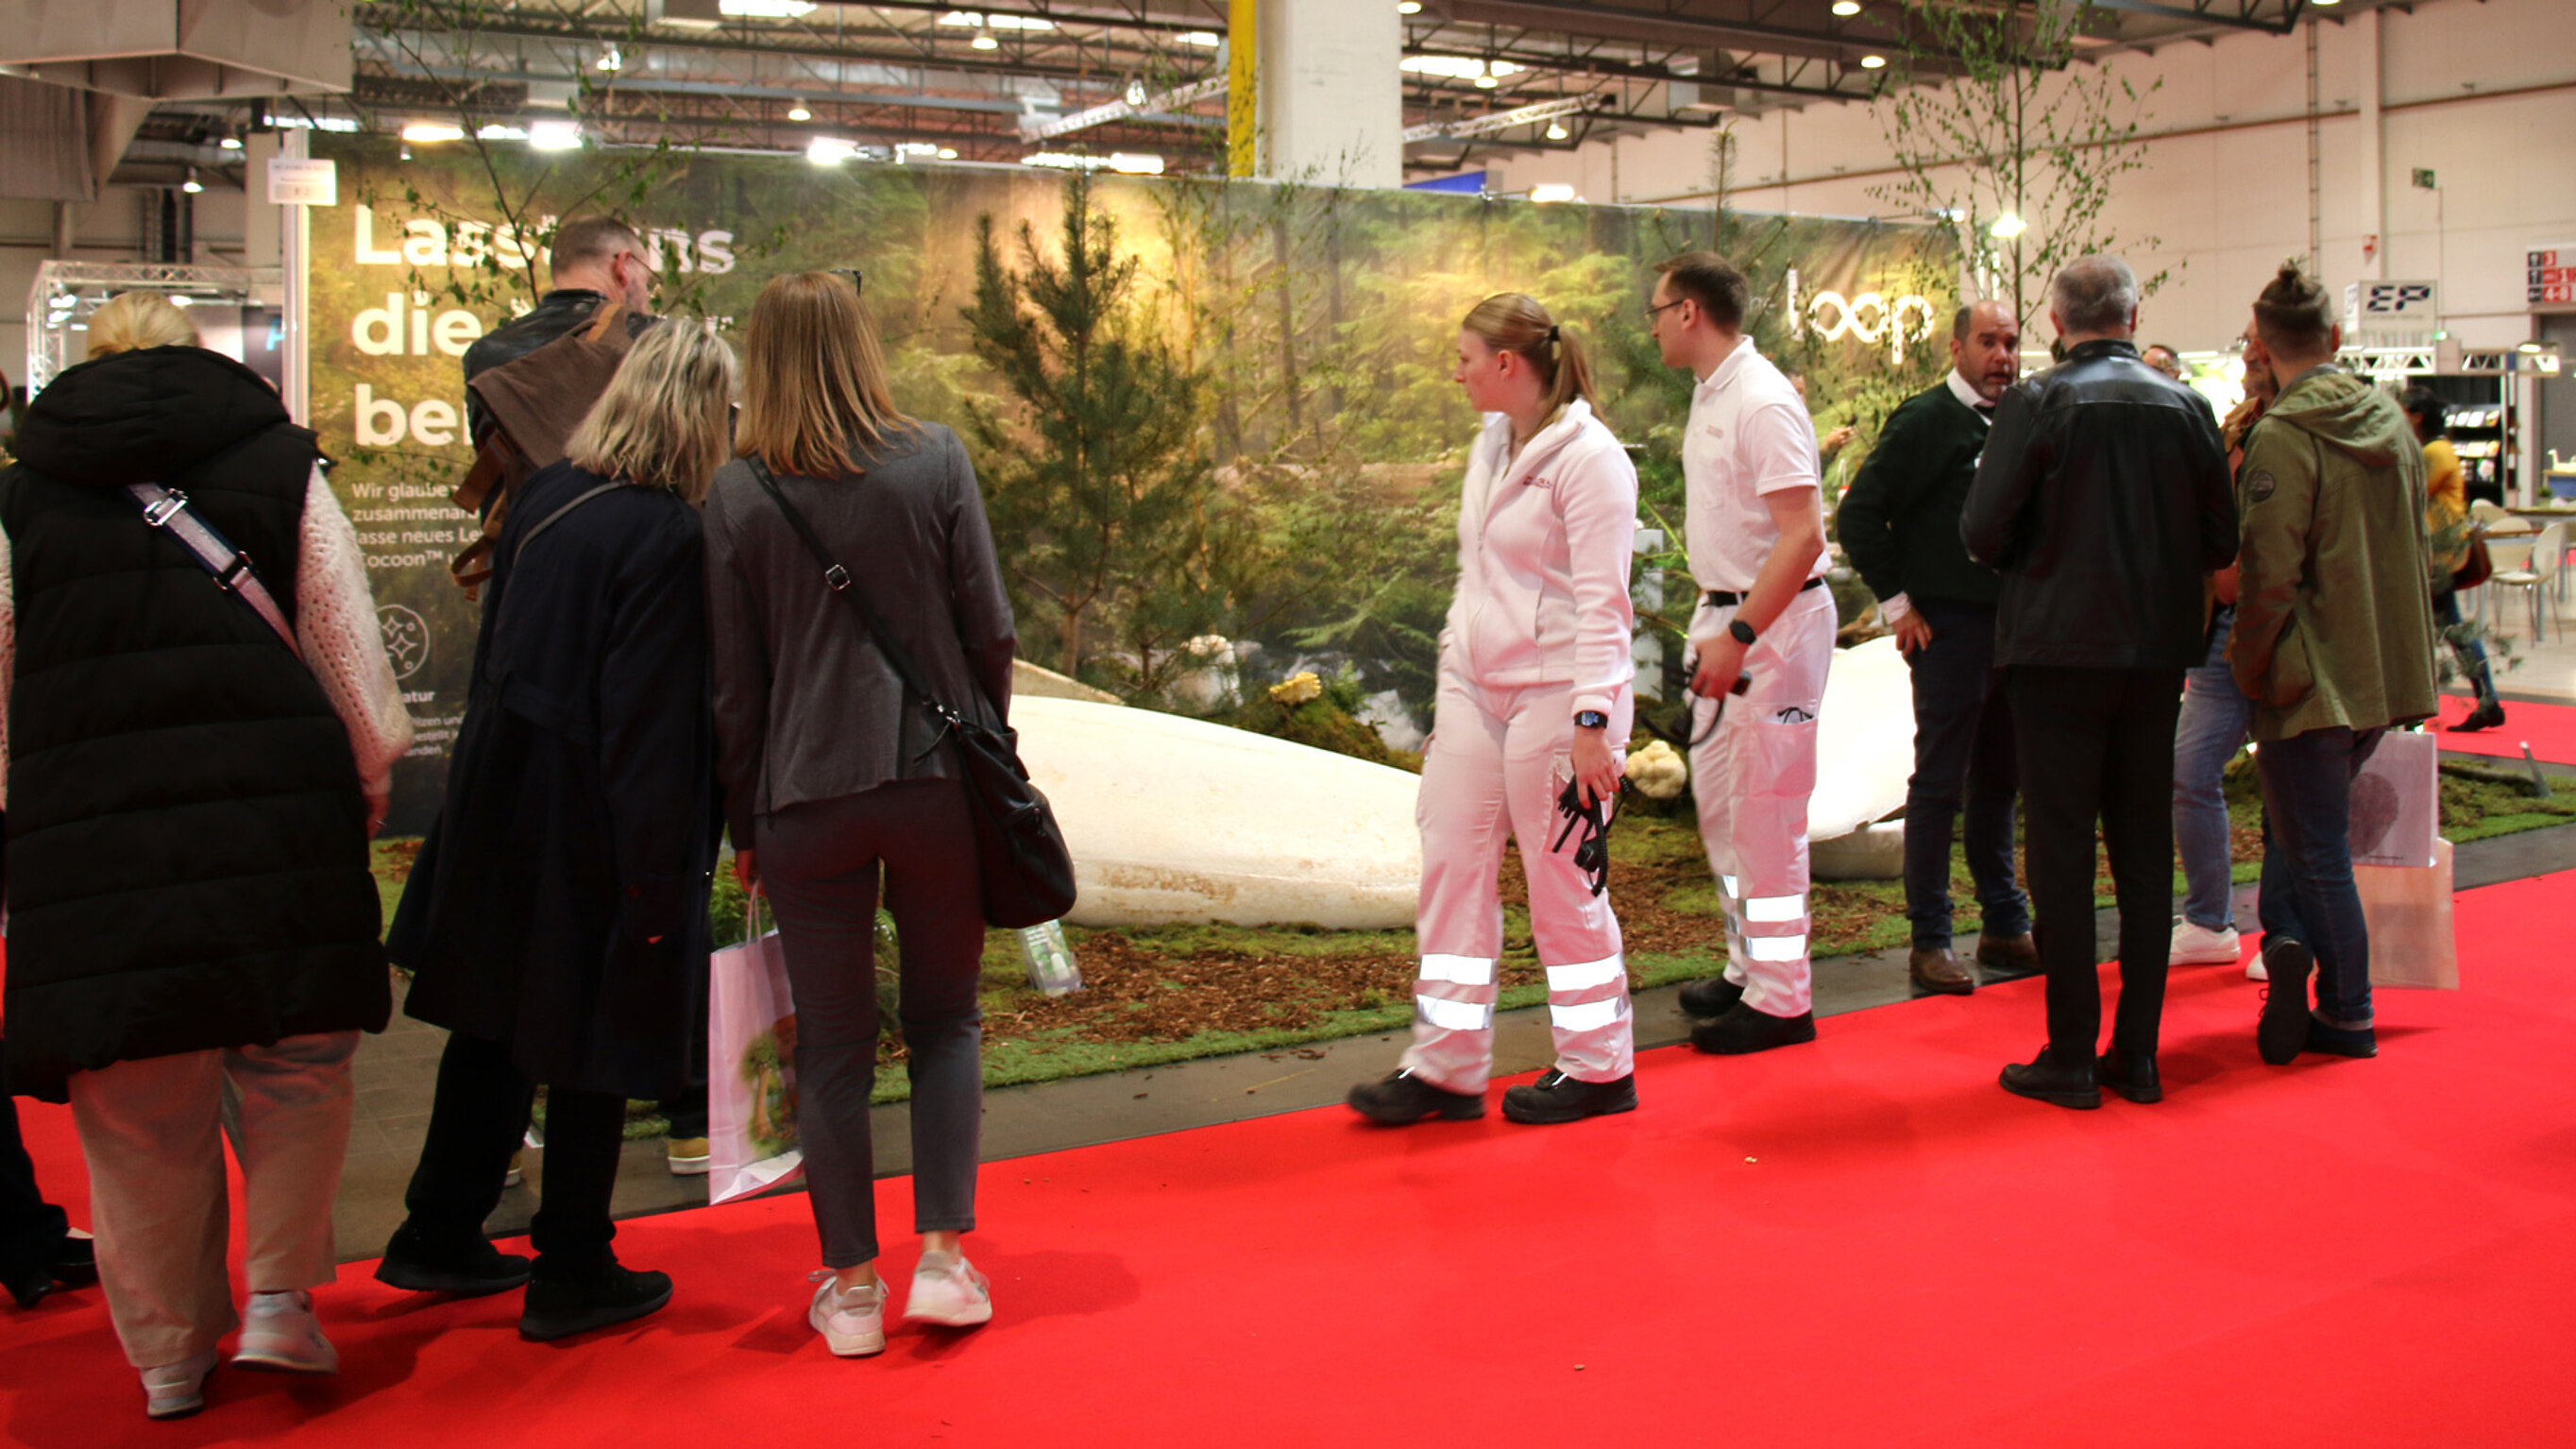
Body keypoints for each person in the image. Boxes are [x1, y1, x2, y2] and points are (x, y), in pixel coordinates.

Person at [0, 291, 411, 1417]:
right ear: (198, 356)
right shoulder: (280, 466)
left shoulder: (21, 495)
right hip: (274, 821)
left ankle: (170, 1358)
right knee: (296, 1065)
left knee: (136, 1110)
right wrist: (371, 764)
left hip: (94, 847)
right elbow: (340, 630)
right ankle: (280, 1297)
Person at [380, 318, 735, 1341]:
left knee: (495, 1021)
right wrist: (657, 876)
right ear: (703, 415)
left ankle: (438, 1225)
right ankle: (574, 1262)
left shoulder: (550, 493)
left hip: (502, 800)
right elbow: (648, 720)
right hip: (590, 815)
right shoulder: (666, 532)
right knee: (595, 1030)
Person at [707, 272, 1016, 1357]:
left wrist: (745, 824)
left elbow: (733, 685)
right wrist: (990, 745)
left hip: (800, 798)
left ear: (761, 359)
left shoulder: (738, 492)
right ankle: (942, 1259)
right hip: (933, 780)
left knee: (831, 1046)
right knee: (945, 1019)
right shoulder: (931, 457)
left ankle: (849, 1288)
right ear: (862, 343)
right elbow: (989, 627)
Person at [1348, 294, 1642, 1128]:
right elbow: (1478, 578)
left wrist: (1593, 723)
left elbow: (1603, 606)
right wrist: (1455, 672)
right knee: (1450, 863)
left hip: (1560, 699)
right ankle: (1444, 1066)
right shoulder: (1491, 443)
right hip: (1477, 690)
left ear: (1508, 365)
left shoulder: (1591, 460)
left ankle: (1598, 1067)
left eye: (1466, 356)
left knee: (1561, 883)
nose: (1457, 370)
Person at [1961, 255, 2235, 1110]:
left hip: (2055, 651)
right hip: (2154, 653)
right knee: (2146, 852)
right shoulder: (2187, 405)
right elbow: (2222, 538)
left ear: (2053, 319)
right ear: (2132, 312)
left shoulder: (2038, 401)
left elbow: (1980, 529)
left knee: (2061, 849)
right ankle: (2140, 1053)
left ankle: (2072, 1052)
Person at [2231, 264, 2439, 1065]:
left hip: (2310, 676)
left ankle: (2349, 1010)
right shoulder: (2390, 422)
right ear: (2338, 337)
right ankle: (2290, 946)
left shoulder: (2284, 436)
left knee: (2314, 851)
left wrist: (2251, 665)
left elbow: (2267, 576)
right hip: (2380, 675)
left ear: (2262, 344)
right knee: (2308, 840)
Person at [1650, 252, 1835, 1055]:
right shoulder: (1717, 392)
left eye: (1656, 310)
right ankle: (1748, 965)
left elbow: (1803, 536)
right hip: (1727, 616)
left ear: (1689, 311)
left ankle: (1783, 996)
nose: (1651, 324)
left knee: (1767, 815)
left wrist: (1741, 634)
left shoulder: (1759, 400)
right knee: (1724, 813)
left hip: (1773, 628)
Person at [1832, 299, 2036, 995]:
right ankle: (1931, 939)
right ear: (1956, 348)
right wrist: (1899, 604)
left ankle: (2006, 925)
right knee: (1940, 785)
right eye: (1988, 342)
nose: (2001, 356)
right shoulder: (1926, 422)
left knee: (2001, 782)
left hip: (2014, 631)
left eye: (2010, 342)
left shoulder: (2022, 417)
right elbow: (1860, 515)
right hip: (1949, 629)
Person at [2170, 343, 2278, 980]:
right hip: (2221, 623)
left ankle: (2287, 930)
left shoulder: (2299, 433)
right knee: (2189, 767)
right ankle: (2210, 920)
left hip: (2280, 622)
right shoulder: (2236, 423)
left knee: (2291, 782)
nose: (2247, 355)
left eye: (2258, 343)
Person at [461, 216, 659, 447]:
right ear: (623, 265)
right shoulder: (657, 343)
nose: (647, 292)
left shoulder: (484, 353)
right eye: (648, 279)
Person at [2402, 387, 2506, 733]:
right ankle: (2486, 700)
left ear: (2416, 416)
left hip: (2437, 557)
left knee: (2447, 630)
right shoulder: (2437, 449)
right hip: (2436, 554)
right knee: (2451, 630)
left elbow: (2407, 492)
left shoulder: (2434, 452)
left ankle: (2484, 700)